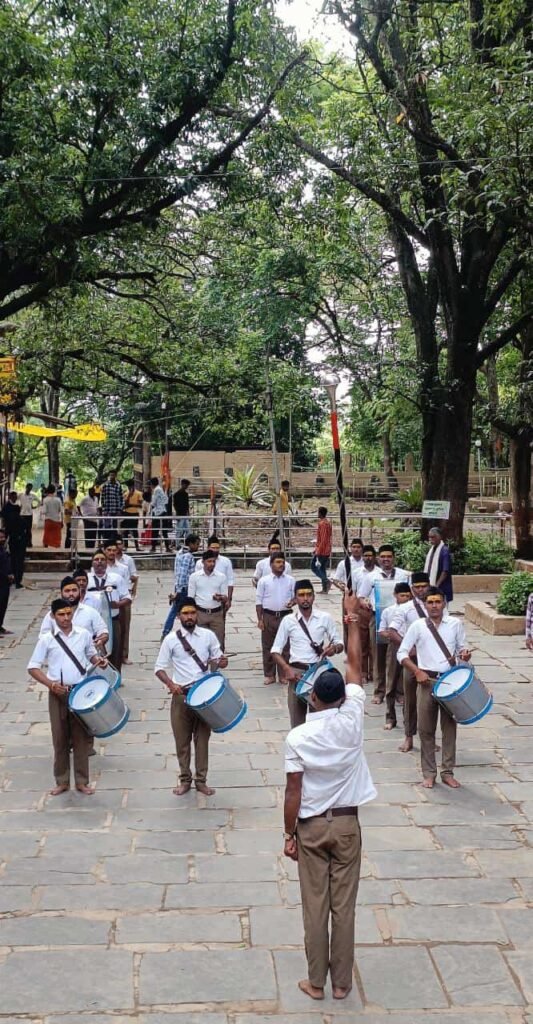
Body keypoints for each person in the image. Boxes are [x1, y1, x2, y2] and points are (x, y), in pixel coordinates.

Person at [283, 589, 376, 1001]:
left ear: (314, 699)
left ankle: (315, 982)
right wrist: (351, 620)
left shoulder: (299, 735)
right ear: (341, 696)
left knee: (314, 907)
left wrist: (289, 834)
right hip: (347, 823)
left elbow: (293, 790)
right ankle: (342, 984)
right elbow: (355, 666)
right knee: (345, 907)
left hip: (311, 826)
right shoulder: (353, 716)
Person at [27, 598, 107, 795]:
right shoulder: (47, 639)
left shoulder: (84, 635)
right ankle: (62, 780)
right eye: (61, 615)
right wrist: (51, 685)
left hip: (80, 692)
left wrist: (99, 661)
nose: (65, 618)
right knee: (60, 737)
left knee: (81, 737)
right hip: (58, 693)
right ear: (53, 617)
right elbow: (33, 667)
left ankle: (82, 781)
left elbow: (91, 655)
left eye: (68, 613)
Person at [397, 586, 471, 788]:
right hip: (426, 682)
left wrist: (465, 654)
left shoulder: (455, 624)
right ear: (425, 604)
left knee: (449, 728)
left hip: (449, 682)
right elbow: (402, 653)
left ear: (444, 603)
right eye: (430, 602)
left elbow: (461, 648)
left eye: (438, 601)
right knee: (425, 729)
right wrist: (417, 671)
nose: (434, 606)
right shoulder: (418, 626)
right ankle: (429, 773)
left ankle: (448, 771)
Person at [155, 596, 228, 796]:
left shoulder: (208, 636)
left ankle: (201, 780)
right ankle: (185, 779)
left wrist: (221, 663)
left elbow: (217, 659)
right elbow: (159, 668)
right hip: (181, 695)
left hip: (204, 696)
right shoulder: (170, 640)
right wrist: (171, 684)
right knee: (182, 740)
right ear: (178, 616)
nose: (190, 616)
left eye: (193, 613)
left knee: (202, 739)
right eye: (185, 613)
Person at [271, 579, 343, 727]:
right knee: (297, 723)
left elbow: (339, 643)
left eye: (309, 594)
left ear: (314, 597)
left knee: (320, 721)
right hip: (296, 673)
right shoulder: (288, 621)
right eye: (301, 595)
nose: (305, 598)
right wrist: (287, 669)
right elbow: (275, 650)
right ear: (295, 598)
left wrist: (333, 649)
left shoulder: (325, 618)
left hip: (318, 672)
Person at [357, 544, 409, 704]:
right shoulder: (371, 576)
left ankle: (399, 692)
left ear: (394, 557)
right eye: (383, 556)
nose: (386, 559)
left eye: (389, 556)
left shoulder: (404, 575)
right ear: (379, 558)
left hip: (401, 621)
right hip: (378, 618)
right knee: (378, 654)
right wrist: (365, 602)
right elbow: (361, 596)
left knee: (399, 654)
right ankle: (379, 692)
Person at [387, 571, 432, 752]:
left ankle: (429, 738)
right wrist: (408, 646)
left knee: (431, 702)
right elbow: (391, 631)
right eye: (417, 587)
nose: (421, 590)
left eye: (424, 586)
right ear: (412, 589)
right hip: (412, 661)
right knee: (410, 700)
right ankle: (408, 736)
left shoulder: (438, 605)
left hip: (432, 661)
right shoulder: (405, 608)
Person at [85, 550, 131, 672]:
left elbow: (127, 598)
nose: (99, 562)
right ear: (92, 562)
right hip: (91, 621)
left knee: (115, 649)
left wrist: (118, 604)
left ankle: (115, 677)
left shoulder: (116, 579)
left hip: (112, 620)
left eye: (102, 559)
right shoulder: (87, 580)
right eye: (96, 559)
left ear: (107, 562)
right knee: (92, 649)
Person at [255, 553, 295, 685]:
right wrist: (260, 619)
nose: (281, 565)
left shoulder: (290, 580)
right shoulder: (264, 581)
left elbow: (295, 597)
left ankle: (283, 674)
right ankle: (269, 674)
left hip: (285, 615)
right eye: (278, 562)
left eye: (282, 562)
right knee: (268, 646)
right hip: (269, 616)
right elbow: (259, 601)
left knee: (285, 646)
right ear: (271, 564)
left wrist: (292, 602)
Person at [378, 582, 411, 731]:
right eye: (402, 595)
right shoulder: (388, 611)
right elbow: (382, 631)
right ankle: (390, 717)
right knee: (390, 682)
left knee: (408, 685)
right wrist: (391, 635)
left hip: (411, 648)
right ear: (395, 596)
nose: (405, 598)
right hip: (395, 646)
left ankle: (409, 722)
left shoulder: (413, 610)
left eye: (407, 596)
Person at [40, 576, 109, 649]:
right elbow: (43, 636)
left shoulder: (91, 612)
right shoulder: (52, 615)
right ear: (61, 593)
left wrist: (101, 640)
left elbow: (103, 631)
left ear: (79, 591)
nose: (71, 594)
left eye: (74, 590)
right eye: (67, 591)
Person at [162, 533, 200, 638]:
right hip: (184, 588)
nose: (198, 547)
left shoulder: (180, 553)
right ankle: (167, 632)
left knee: (175, 611)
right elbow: (183, 574)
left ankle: (166, 632)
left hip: (179, 586)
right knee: (179, 611)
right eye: (196, 544)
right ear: (191, 544)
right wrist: (178, 592)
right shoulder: (188, 556)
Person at [187, 550, 228, 647]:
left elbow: (225, 597)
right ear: (203, 562)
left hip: (216, 614)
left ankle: (216, 661)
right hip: (201, 613)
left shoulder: (221, 577)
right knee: (201, 644)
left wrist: (220, 598)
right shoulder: (194, 577)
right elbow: (190, 598)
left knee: (218, 643)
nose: (212, 564)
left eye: (214, 561)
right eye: (209, 561)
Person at [114, 534, 139, 664]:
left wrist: (133, 590)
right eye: (116, 545)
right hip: (111, 598)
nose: (118, 547)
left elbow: (134, 576)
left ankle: (124, 654)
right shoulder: (106, 563)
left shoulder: (127, 561)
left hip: (124, 597)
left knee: (125, 625)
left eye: (120, 544)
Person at [196, 535, 234, 610]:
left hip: (221, 598)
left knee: (221, 620)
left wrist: (229, 599)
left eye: (217, 548)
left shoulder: (226, 561)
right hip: (203, 599)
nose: (215, 550)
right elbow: (196, 582)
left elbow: (230, 581)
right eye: (213, 548)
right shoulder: (200, 563)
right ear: (208, 548)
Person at [1, 491, 26, 588]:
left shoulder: (12, 517)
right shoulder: (21, 520)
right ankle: (17, 579)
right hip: (17, 540)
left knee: (14, 560)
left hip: (14, 539)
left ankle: (15, 578)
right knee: (17, 560)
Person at [425, 526, 453, 603]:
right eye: (429, 537)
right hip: (432, 588)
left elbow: (445, 572)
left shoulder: (444, 551)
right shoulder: (432, 549)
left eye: (433, 537)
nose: (430, 540)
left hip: (442, 588)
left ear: (440, 537)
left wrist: (436, 587)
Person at [310, 506, 333, 593]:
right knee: (322, 568)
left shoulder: (323, 524)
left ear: (320, 513)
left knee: (314, 566)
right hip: (325, 549)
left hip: (323, 550)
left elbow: (323, 539)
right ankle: (324, 588)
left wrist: (318, 550)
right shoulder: (327, 523)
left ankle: (326, 580)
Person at [100, 470, 123, 543]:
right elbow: (102, 497)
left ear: (116, 476)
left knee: (115, 527)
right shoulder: (105, 485)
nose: (111, 477)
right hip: (107, 510)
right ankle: (106, 542)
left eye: (113, 475)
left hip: (115, 510)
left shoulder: (118, 485)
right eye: (110, 475)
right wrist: (103, 509)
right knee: (107, 527)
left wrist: (120, 509)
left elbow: (121, 497)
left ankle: (113, 541)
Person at [150, 476, 171, 552]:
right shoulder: (161, 489)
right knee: (164, 531)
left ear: (152, 484)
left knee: (155, 531)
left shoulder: (156, 490)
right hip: (163, 511)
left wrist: (151, 506)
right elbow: (166, 500)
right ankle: (167, 547)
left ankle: (153, 547)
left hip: (157, 513)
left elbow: (154, 502)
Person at [121, 479, 143, 550]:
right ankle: (125, 546)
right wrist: (129, 496)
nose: (129, 487)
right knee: (126, 530)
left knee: (134, 530)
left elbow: (140, 505)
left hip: (135, 514)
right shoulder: (125, 494)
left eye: (130, 486)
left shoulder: (139, 493)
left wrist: (131, 504)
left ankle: (137, 546)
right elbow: (125, 505)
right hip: (127, 513)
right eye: (128, 486)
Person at [0, 528, 14, 636]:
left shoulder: (4, 549)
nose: (2, 539)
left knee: (3, 605)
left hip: (5, 583)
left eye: (3, 537)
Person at [18, 482, 38, 547]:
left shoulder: (32, 496)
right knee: (22, 529)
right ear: (26, 487)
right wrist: (18, 507)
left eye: (30, 488)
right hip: (22, 514)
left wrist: (35, 506)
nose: (29, 489)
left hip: (29, 515)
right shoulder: (21, 495)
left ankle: (29, 543)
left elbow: (39, 501)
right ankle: (22, 543)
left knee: (28, 530)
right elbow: (15, 499)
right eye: (28, 488)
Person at [173, 478, 191, 545]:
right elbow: (175, 505)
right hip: (181, 515)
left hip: (184, 515)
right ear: (182, 484)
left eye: (187, 485)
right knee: (179, 530)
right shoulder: (177, 494)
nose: (186, 487)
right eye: (186, 485)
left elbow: (187, 505)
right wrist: (178, 514)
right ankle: (178, 544)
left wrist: (188, 514)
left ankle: (187, 544)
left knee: (187, 530)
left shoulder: (184, 494)